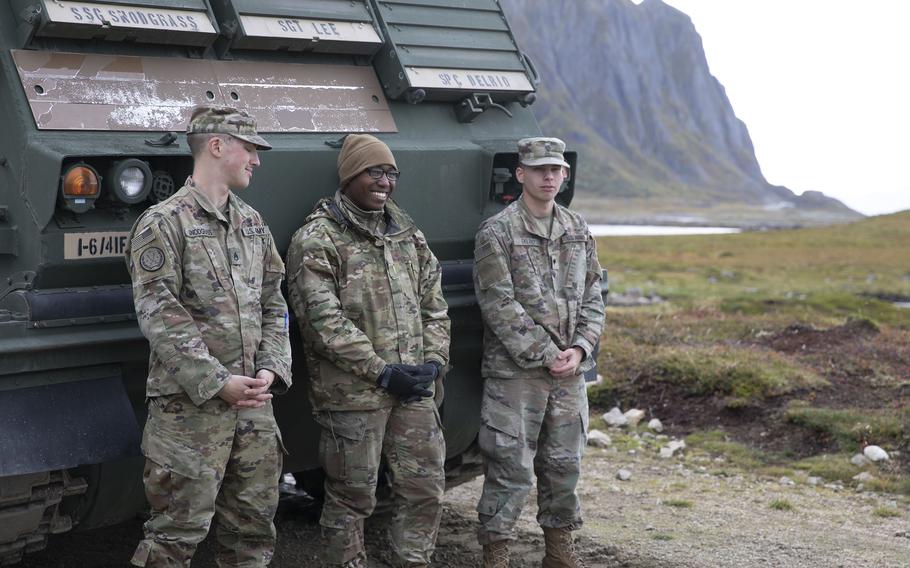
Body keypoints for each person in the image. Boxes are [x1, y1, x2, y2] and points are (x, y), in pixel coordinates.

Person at [126, 106, 292, 567]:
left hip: (255, 408)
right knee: (174, 538)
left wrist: (272, 367)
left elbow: (275, 301)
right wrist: (217, 381)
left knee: (253, 534)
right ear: (217, 146)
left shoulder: (253, 224)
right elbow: (160, 314)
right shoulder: (162, 223)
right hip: (190, 413)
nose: (257, 159)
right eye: (251, 148)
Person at [285, 134, 450, 568]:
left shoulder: (408, 236)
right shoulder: (317, 239)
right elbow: (322, 324)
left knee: (425, 488)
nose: (385, 181)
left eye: (391, 173)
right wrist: (381, 372)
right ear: (349, 177)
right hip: (353, 398)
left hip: (413, 389)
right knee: (352, 497)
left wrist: (433, 363)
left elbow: (435, 305)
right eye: (374, 172)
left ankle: (412, 561)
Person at [472, 137, 605, 568]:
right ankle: (497, 555)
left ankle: (558, 552)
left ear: (565, 175)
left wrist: (582, 349)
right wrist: (547, 352)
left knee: (564, 467)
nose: (549, 177)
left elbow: (593, 296)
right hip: (517, 375)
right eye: (540, 169)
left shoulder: (578, 230)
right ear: (521, 174)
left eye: (557, 170)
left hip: (569, 372)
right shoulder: (497, 232)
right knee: (509, 468)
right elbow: (497, 303)